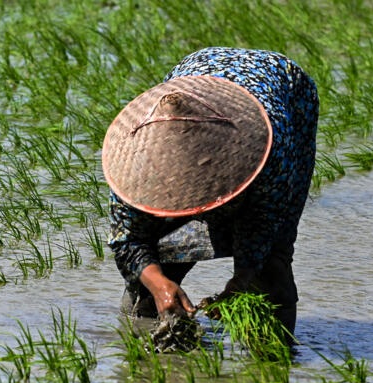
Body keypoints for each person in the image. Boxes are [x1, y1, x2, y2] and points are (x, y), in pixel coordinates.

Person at [103, 47, 319, 340]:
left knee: (271, 264)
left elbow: (263, 222)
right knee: (152, 275)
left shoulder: (270, 153)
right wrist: (158, 284)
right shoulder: (134, 161)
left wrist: (241, 280)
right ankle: (144, 362)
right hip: (196, 74)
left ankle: (276, 363)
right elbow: (128, 239)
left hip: (283, 92)